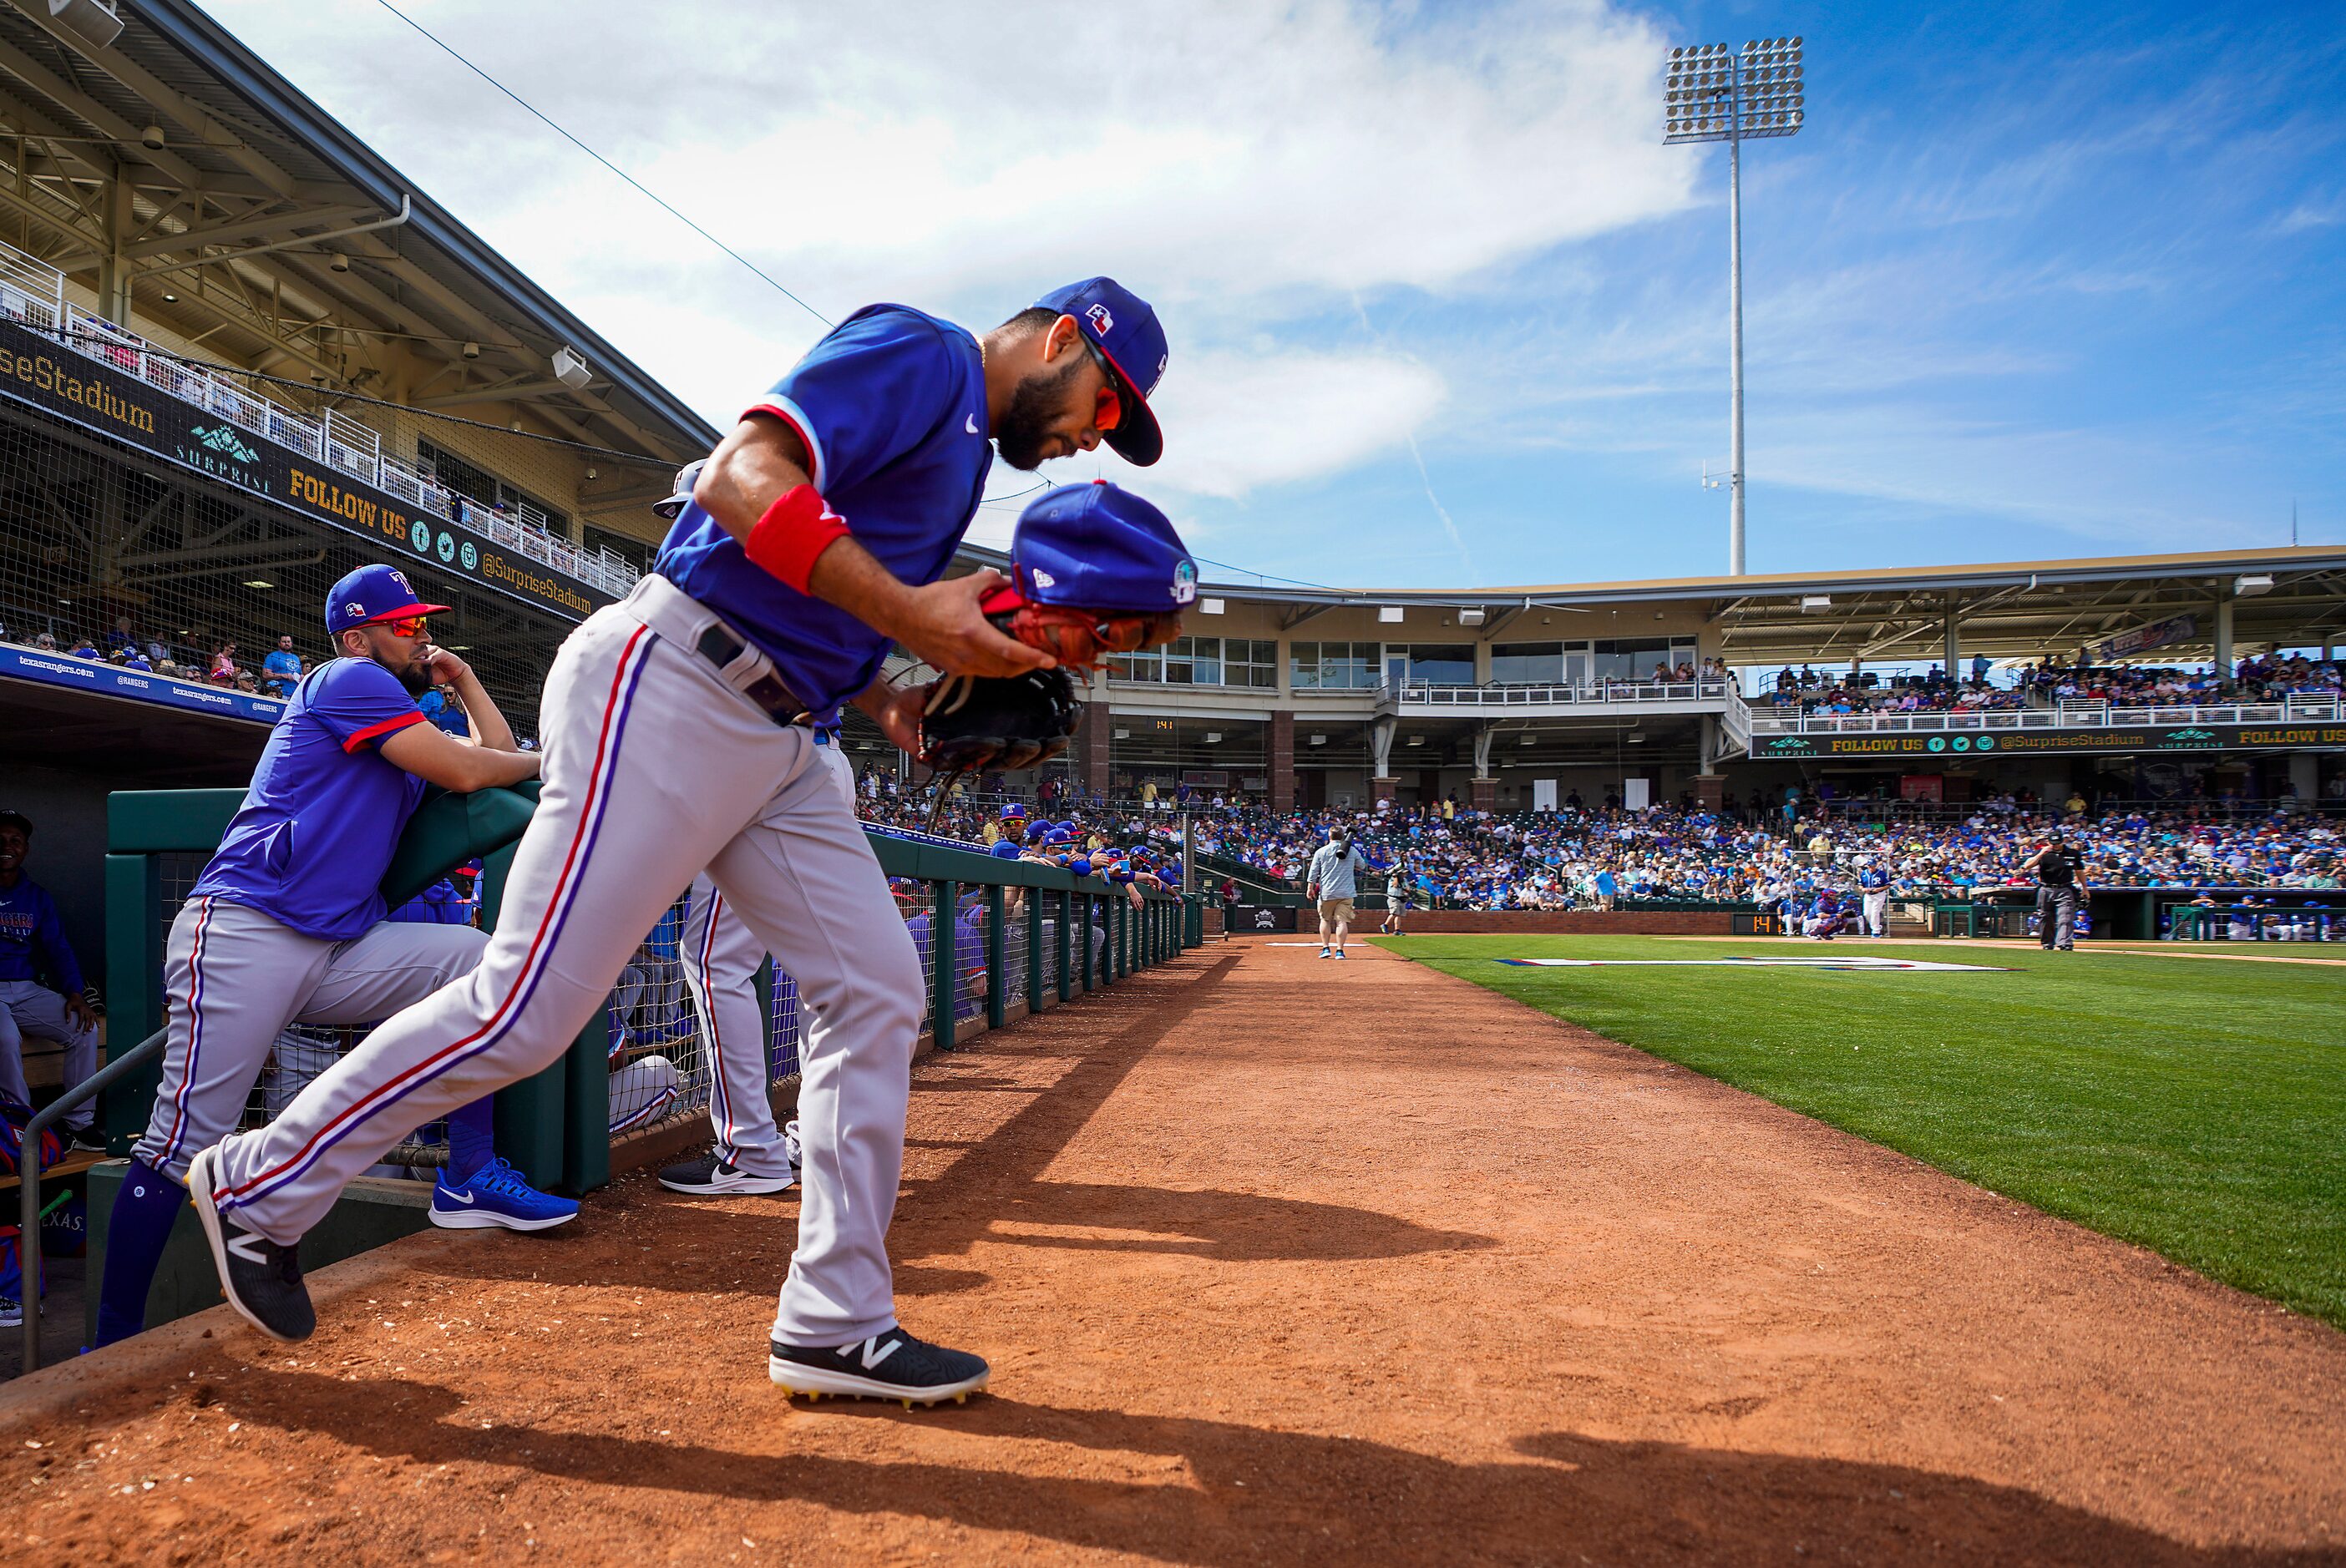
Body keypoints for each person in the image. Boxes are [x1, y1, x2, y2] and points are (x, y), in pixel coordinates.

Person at [188, 277, 1170, 1410]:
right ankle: (262, 1182)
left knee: (876, 989)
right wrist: (912, 616)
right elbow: (740, 480)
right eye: (1105, 404)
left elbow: (819, 608)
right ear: (1062, 340)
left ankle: (834, 1321)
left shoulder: (957, 457)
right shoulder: (924, 355)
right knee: (526, 1007)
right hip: (669, 684)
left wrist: (898, 702)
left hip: (783, 735)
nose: (1092, 437)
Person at [94, 564, 559, 1348]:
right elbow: (475, 769)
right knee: (180, 1145)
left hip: (337, 946)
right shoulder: (347, 677)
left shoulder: (397, 708)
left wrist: (468, 681)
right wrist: (552, 760)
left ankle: (468, 1174)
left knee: (476, 962)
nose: (420, 635)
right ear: (357, 635)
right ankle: (103, 1345)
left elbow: (486, 761)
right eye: (404, 625)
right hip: (246, 931)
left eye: (420, 623)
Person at [0, 808, 100, 1151]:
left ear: (25, 849)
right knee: (5, 1039)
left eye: (16, 841)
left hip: (25, 989)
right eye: (1, 840)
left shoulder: (36, 896)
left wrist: (75, 991)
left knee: (84, 1028)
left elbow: (57, 947)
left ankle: (79, 1125)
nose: (7, 846)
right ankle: (23, 1124)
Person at [1308, 823, 1367, 959]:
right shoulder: (1351, 850)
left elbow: (1313, 872)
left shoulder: (1321, 851)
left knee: (1325, 919)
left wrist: (1310, 888)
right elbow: (1362, 865)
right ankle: (1340, 951)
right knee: (1342, 922)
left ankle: (1326, 948)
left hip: (1327, 892)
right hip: (1346, 892)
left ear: (1329, 836)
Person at [2021, 834, 2080, 952]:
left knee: (2066, 916)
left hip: (2065, 888)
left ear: (2062, 841)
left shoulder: (2072, 853)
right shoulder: (2042, 852)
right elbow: (2027, 866)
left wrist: (2084, 887)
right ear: (2048, 842)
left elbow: (2079, 870)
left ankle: (2065, 943)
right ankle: (2048, 943)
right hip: (2045, 888)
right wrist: (2041, 853)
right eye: (2053, 843)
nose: (2055, 846)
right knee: (2046, 917)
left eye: (2058, 843)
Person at [1859, 859, 1892, 939]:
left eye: (1872, 866)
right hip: (1868, 895)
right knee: (1867, 913)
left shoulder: (1881, 873)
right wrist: (1863, 889)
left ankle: (1876, 931)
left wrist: (1879, 889)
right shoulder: (1864, 873)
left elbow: (1888, 885)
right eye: (1869, 866)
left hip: (1879, 894)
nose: (1871, 867)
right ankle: (1876, 926)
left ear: (1875, 866)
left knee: (1875, 913)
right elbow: (1860, 884)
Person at [262, 635, 301, 699]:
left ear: (291, 643)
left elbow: (299, 674)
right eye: (284, 642)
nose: (286, 644)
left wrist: (302, 677)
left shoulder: (296, 658)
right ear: (279, 643)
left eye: (288, 642)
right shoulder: (272, 656)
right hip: (279, 694)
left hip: (295, 696)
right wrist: (283, 675)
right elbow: (265, 675)